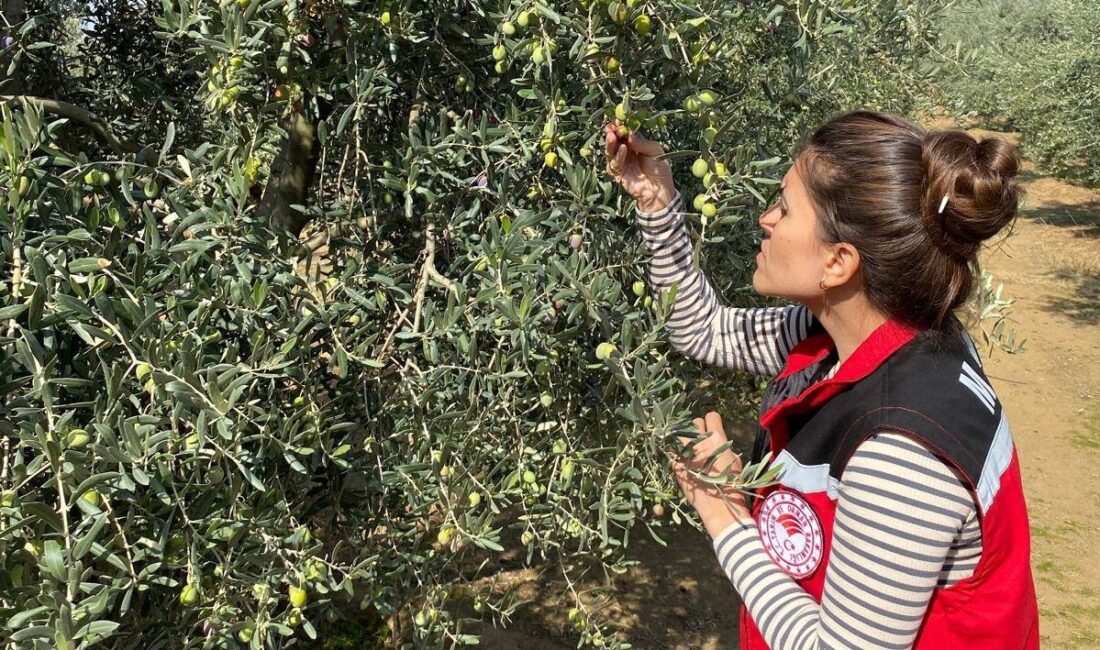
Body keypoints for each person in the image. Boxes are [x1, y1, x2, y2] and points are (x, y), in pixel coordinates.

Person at [604, 110, 1039, 649]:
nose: (766, 219)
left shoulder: (902, 451)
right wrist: (657, 203)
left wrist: (724, 517)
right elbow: (703, 330)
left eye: (784, 208)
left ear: (838, 262)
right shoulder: (857, 338)